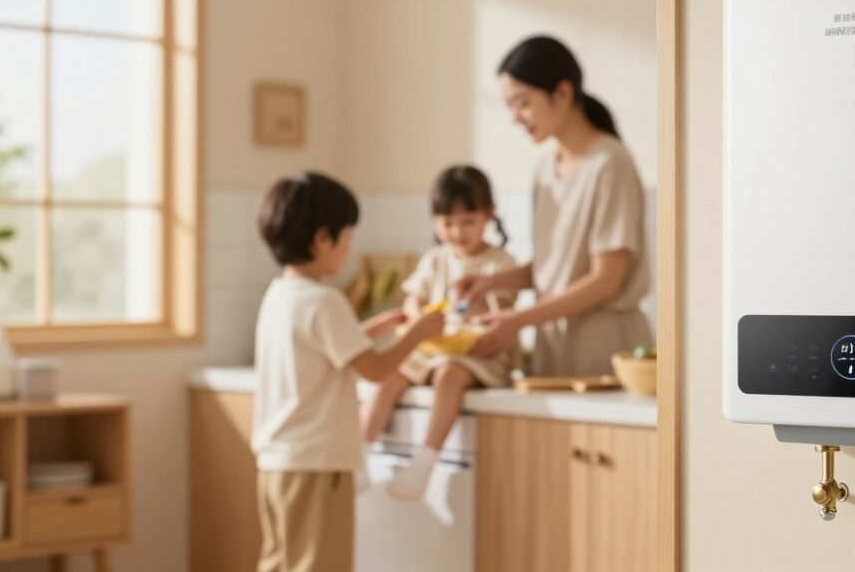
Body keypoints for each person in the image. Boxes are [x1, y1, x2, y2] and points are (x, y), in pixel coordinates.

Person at [252, 171, 443, 572]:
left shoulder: (280, 296)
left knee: (280, 562)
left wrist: (375, 329)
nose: (349, 248)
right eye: (348, 236)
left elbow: (325, 348)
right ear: (323, 239)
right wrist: (418, 335)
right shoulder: (325, 300)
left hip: (277, 462)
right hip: (316, 464)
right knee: (318, 565)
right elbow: (374, 369)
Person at [457, 35, 652, 376]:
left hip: (602, 348)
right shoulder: (544, 170)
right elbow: (553, 269)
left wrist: (518, 319)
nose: (516, 118)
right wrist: (490, 282)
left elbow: (605, 280)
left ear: (562, 93)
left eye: (523, 103)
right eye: (510, 107)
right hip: (554, 347)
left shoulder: (610, 163)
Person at [358, 165, 517, 500]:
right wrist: (420, 320)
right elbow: (414, 302)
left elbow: (502, 310)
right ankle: (358, 455)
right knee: (387, 376)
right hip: (430, 351)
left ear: (489, 214)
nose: (457, 232)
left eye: (467, 222)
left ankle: (424, 462)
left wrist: (476, 310)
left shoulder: (499, 263)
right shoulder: (434, 260)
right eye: (447, 223)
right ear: (435, 222)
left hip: (475, 355)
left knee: (449, 375)